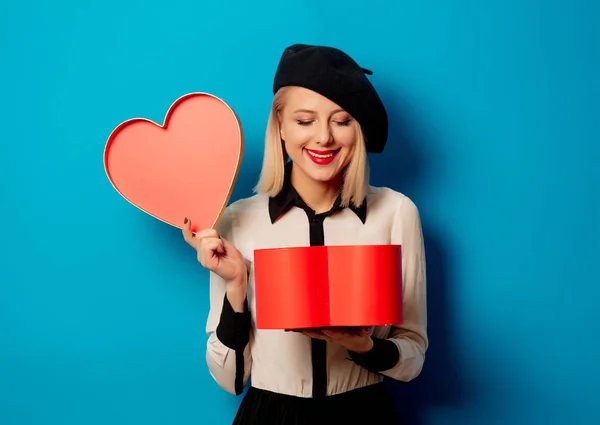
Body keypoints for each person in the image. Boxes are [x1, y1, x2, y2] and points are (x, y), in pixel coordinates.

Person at [182, 44, 428, 424]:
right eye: (305, 120)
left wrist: (364, 346)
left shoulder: (396, 213)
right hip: (270, 414)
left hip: (364, 413)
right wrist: (235, 284)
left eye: (342, 121)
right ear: (280, 125)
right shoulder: (235, 219)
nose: (324, 138)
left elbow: (412, 356)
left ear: (358, 128)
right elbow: (230, 378)